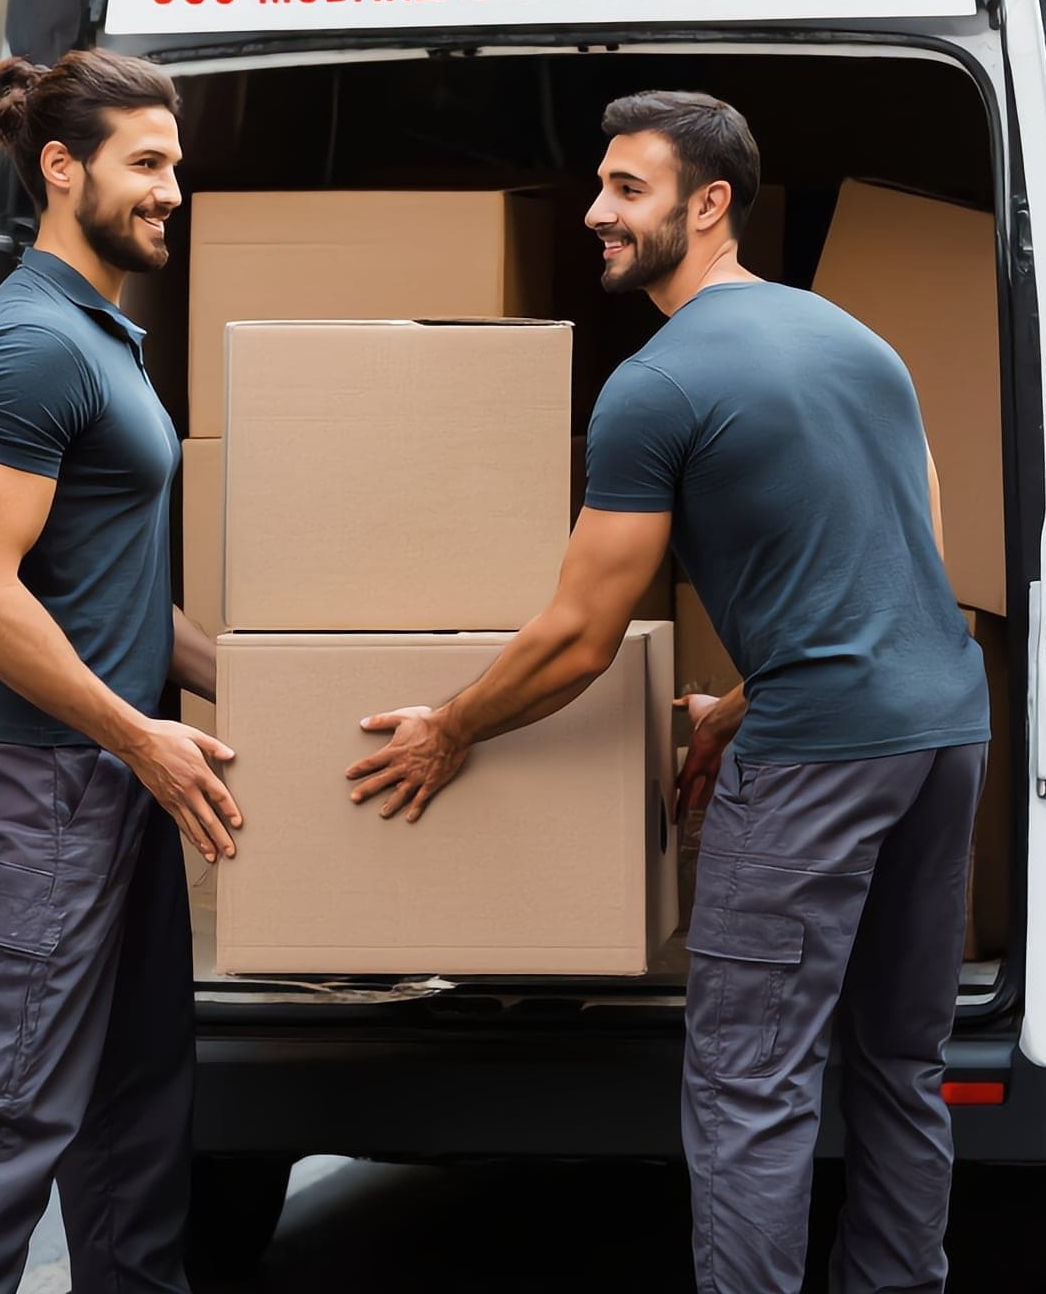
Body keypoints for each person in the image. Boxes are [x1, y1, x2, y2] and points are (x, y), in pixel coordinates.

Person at [345, 91, 991, 1294]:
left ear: (710, 205)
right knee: (901, 1061)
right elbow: (908, 571)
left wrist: (450, 724)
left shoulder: (656, 385)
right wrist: (737, 703)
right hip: (944, 730)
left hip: (816, 762)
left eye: (626, 189)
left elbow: (584, 633)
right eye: (600, 185)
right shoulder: (860, 342)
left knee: (752, 1082)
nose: (595, 210)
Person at [0, 48, 235, 1294]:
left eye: (175, 165)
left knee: (137, 1108)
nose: (171, 189)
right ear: (61, 168)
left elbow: (112, 590)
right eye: (147, 164)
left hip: (118, 772)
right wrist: (139, 734)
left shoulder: (102, 335)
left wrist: (261, 681)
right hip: (53, 777)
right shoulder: (28, 346)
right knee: (13, 1109)